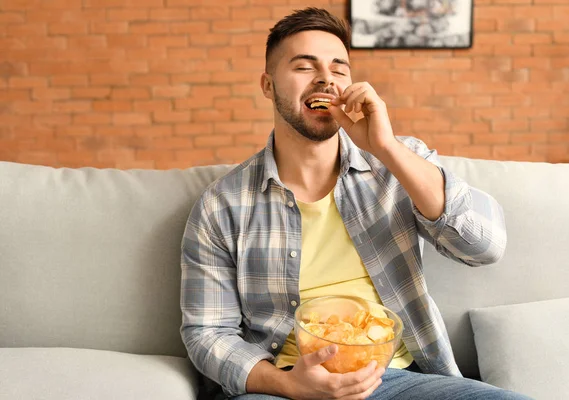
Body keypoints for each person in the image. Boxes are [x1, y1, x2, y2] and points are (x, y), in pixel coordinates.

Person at [180, 7, 530, 400]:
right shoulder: (221, 206)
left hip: (398, 380)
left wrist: (385, 147)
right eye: (303, 66)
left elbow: (485, 246)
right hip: (283, 387)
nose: (326, 78)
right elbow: (206, 333)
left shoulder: (398, 162)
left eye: (338, 68)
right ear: (267, 84)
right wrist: (289, 384)